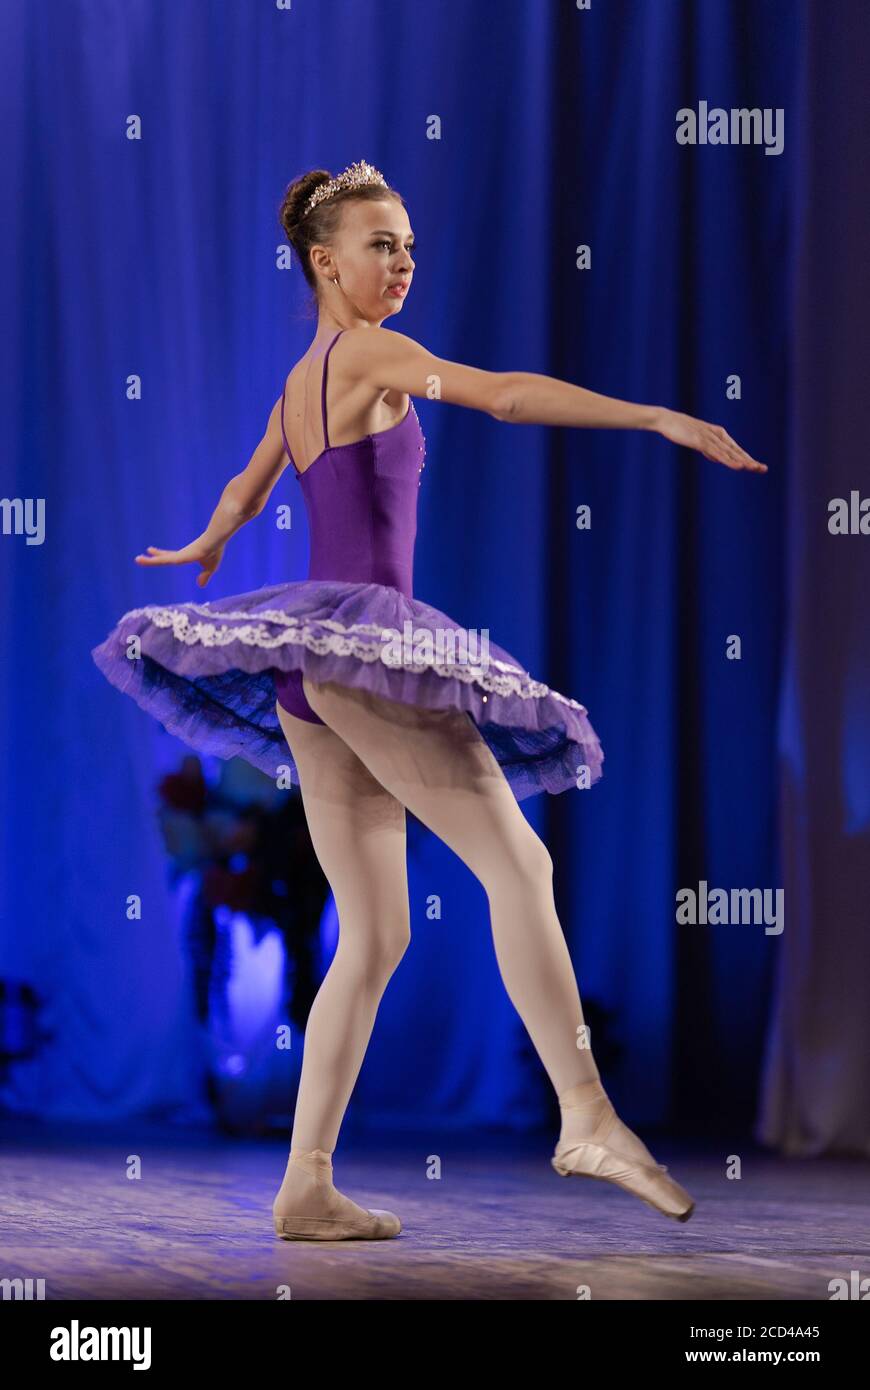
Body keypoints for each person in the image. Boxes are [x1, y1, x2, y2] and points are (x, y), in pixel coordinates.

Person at [92, 160, 766, 1240]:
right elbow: (501, 393)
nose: (403, 262)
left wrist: (214, 537)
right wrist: (652, 417)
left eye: (409, 245)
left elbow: (251, 480)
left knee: (374, 933)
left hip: (310, 672)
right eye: (380, 244)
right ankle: (586, 1113)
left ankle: (305, 1181)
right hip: (367, 651)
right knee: (521, 864)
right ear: (325, 261)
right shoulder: (372, 353)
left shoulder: (303, 376)